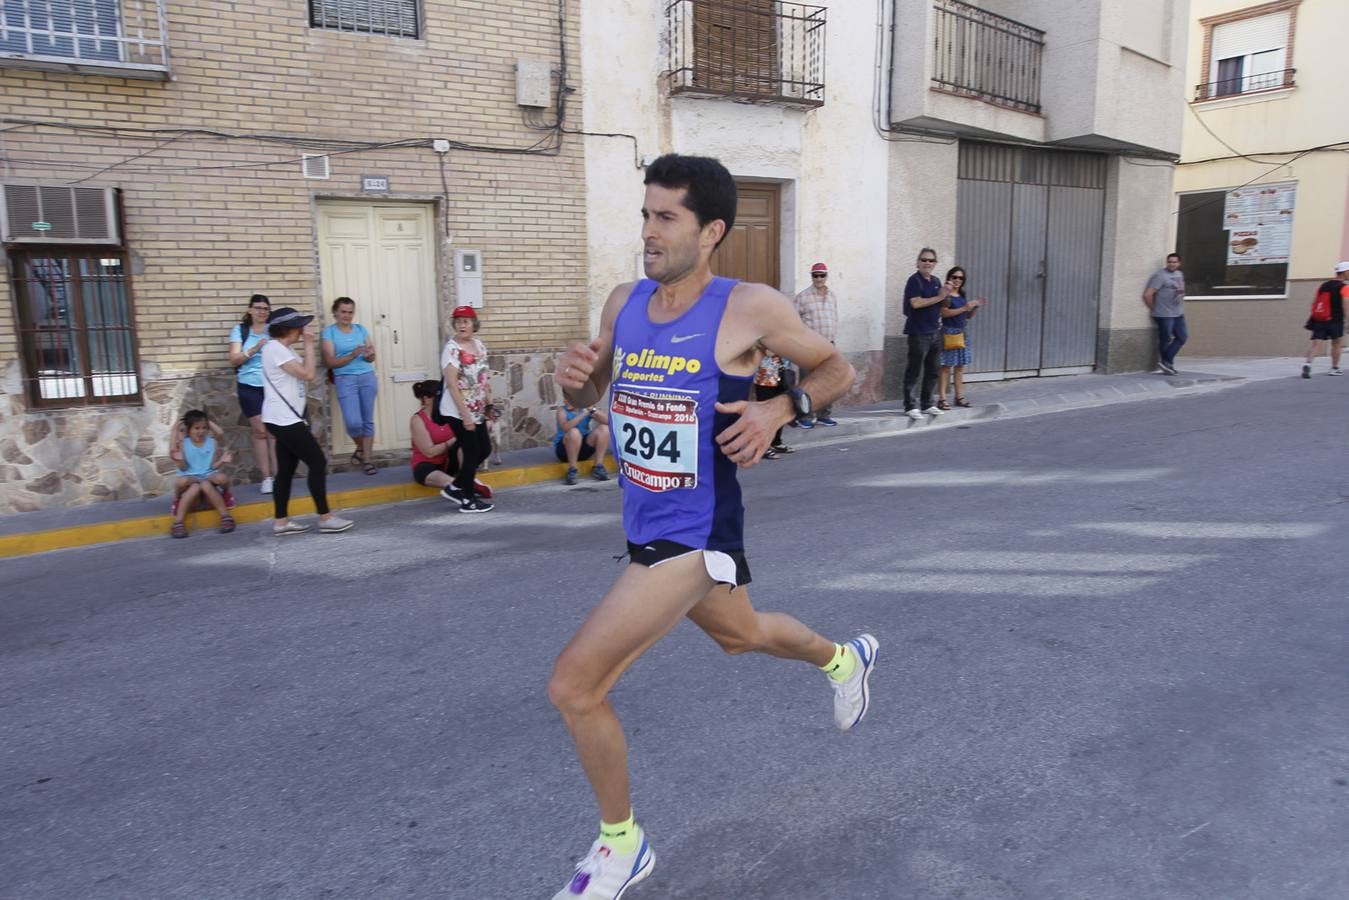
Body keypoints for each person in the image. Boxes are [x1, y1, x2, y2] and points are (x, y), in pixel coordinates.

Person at [549, 154, 878, 900]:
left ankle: (620, 844)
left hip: (696, 530)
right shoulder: (622, 302)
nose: (648, 233)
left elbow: (836, 370)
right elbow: (599, 385)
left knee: (575, 685)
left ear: (712, 231)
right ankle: (843, 660)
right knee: (744, 634)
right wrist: (578, 380)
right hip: (644, 518)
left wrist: (776, 407)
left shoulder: (749, 308)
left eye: (666, 218)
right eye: (645, 215)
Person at [261, 307, 354, 535]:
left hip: (286, 417)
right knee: (317, 462)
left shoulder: (283, 348)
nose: (303, 329)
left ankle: (281, 522)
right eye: (299, 326)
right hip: (284, 419)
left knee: (285, 470)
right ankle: (325, 517)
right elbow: (308, 374)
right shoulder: (275, 349)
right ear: (288, 329)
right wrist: (311, 345)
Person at [438, 306, 495, 512]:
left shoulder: (479, 346)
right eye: (458, 321)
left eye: (466, 321)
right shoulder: (452, 349)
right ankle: (467, 500)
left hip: (477, 408)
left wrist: (489, 405)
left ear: (474, 324)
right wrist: (465, 416)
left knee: (484, 449)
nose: (462, 325)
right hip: (457, 410)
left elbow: (483, 379)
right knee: (471, 452)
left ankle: (455, 486)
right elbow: (452, 384)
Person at [408, 380, 495, 499]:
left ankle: (465, 482)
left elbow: (480, 426)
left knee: (465, 445)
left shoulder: (449, 414)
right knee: (425, 470)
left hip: (450, 462)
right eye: (439, 397)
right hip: (428, 465)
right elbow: (430, 452)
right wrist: (454, 439)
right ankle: (464, 484)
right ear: (426, 399)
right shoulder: (417, 420)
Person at [321, 296, 379, 474]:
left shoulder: (361, 330)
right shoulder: (329, 333)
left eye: (350, 312)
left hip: (367, 377)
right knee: (353, 423)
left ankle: (367, 460)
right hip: (345, 379)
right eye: (343, 312)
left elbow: (372, 357)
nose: (347, 315)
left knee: (367, 420)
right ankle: (361, 448)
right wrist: (353, 355)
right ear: (335, 313)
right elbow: (330, 362)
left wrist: (369, 355)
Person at [227, 293, 277, 493]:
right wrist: (255, 349)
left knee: (274, 432)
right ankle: (267, 478)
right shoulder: (241, 330)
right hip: (249, 386)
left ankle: (279, 476)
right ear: (250, 310)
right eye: (258, 308)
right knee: (260, 430)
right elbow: (234, 359)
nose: (262, 312)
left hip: (272, 385)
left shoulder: (273, 331)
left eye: (265, 308)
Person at [901, 247, 952, 419]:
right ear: (918, 262)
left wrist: (947, 294)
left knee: (933, 370)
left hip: (935, 331)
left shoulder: (936, 281)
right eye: (924, 260)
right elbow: (915, 303)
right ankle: (910, 405)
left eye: (931, 260)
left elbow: (942, 304)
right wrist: (939, 297)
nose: (927, 263)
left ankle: (927, 404)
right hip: (918, 332)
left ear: (935, 263)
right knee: (914, 370)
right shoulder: (914, 281)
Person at [169, 410, 235, 538]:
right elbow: (183, 468)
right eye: (196, 428)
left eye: (204, 428)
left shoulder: (211, 442)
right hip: (191, 482)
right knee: (194, 486)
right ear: (188, 429)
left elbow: (220, 433)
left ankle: (225, 517)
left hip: (207, 480)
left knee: (211, 482)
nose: (201, 431)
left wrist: (204, 419)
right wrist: (180, 458)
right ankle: (178, 522)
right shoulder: (183, 443)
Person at [791, 261, 840, 427]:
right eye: (815, 275)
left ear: (826, 276)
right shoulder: (802, 297)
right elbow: (792, 321)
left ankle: (824, 415)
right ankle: (805, 416)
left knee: (828, 382)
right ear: (811, 276)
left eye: (822, 275)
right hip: (810, 347)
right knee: (808, 383)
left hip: (829, 346)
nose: (819, 278)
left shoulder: (832, 295)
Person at [936, 266, 984, 409]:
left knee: (959, 367)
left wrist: (974, 307)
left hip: (962, 332)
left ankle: (959, 396)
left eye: (960, 278)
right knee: (946, 367)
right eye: (954, 277)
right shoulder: (946, 295)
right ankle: (942, 398)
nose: (957, 280)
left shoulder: (962, 295)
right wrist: (964, 308)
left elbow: (966, 316)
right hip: (949, 332)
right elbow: (944, 313)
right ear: (949, 278)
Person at [1301, 262, 1349, 378]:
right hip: (1335, 320)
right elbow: (1346, 306)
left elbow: (1315, 302)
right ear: (1345, 272)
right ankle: (1334, 368)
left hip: (1320, 319)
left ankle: (1308, 363)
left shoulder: (1323, 285)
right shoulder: (1344, 287)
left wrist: (1316, 316)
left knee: (1316, 345)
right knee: (1336, 344)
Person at [1143, 253, 1186, 375]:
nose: (1172, 264)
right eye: (1169, 262)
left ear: (1179, 263)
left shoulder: (1180, 274)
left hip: (1178, 313)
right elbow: (1147, 295)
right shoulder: (1160, 276)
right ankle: (1167, 364)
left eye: (1174, 262)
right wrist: (1154, 309)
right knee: (1165, 339)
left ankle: (1165, 361)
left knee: (1182, 337)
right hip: (1164, 314)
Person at [555, 399, 611, 485]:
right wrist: (582, 414)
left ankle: (598, 466)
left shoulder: (586, 408)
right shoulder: (562, 410)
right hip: (565, 450)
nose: (566, 400)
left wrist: (591, 409)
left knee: (604, 429)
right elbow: (565, 428)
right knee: (574, 432)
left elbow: (608, 421)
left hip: (583, 449)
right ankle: (572, 469)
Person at [754, 351, 794, 458]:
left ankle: (776, 442)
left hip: (783, 374)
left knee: (780, 410)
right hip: (766, 377)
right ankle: (762, 446)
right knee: (765, 413)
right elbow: (769, 352)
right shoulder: (763, 335)